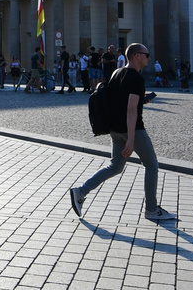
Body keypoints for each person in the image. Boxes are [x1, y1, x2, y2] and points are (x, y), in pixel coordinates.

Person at [66, 44, 174, 222]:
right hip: (132, 130)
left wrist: (141, 99)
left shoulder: (117, 73)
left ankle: (81, 191)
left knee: (115, 167)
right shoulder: (136, 79)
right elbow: (131, 110)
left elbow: (120, 99)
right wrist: (131, 140)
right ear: (137, 56)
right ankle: (152, 209)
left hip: (114, 130)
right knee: (152, 165)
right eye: (147, 55)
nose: (149, 58)